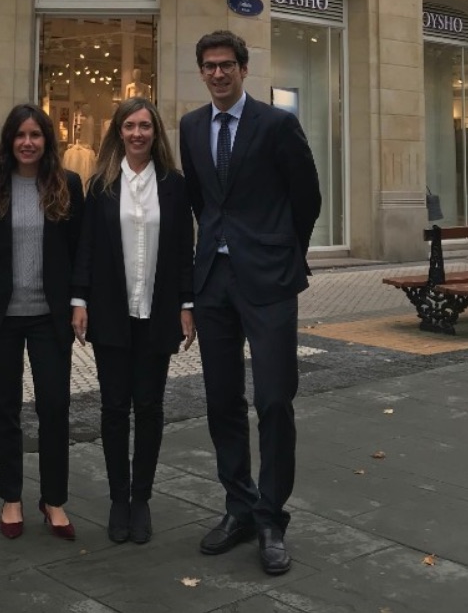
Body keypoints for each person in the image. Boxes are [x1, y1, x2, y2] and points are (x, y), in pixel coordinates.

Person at [177, 29, 321, 576]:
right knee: (221, 400)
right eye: (209, 66)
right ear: (202, 71)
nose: (218, 74)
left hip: (269, 280)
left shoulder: (277, 124)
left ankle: (270, 518)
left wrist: (284, 252)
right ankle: (238, 507)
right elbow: (200, 199)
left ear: (243, 68)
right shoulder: (192, 126)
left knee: (274, 399)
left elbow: (307, 197)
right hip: (214, 281)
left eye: (226, 65)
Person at [70, 97, 195, 545]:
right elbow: (86, 245)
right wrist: (79, 300)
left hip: (157, 313)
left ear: (155, 132)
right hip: (111, 311)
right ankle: (117, 499)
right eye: (129, 126)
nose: (137, 133)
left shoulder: (174, 185)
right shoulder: (101, 185)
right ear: (118, 132)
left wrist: (187, 305)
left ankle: (141, 498)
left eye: (145, 126)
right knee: (113, 408)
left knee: (150, 407)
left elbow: (183, 250)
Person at [0, 104, 85, 541]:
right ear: (9, 140)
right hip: (1, 317)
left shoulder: (67, 185)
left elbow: (77, 249)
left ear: (47, 140)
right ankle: (11, 497)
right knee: (4, 409)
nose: (28, 142)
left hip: (48, 317)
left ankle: (53, 499)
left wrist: (77, 301)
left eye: (36, 134)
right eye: (20, 135)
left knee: (54, 407)